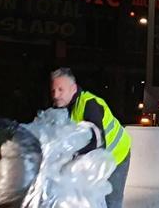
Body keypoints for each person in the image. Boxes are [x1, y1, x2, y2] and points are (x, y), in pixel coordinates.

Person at [50, 68, 131, 208]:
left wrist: (73, 156)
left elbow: (98, 141)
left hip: (117, 155)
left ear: (73, 88)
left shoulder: (89, 104)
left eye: (60, 89)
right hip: (97, 158)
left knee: (111, 201)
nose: (56, 95)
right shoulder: (64, 109)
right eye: (53, 91)